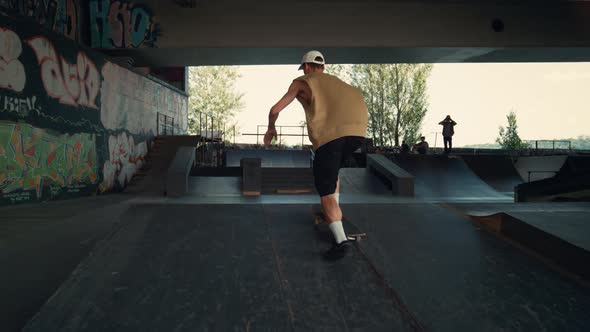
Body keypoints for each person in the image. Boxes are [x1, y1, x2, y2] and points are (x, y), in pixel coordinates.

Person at [263, 50, 368, 260]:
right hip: (358, 133)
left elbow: (275, 109)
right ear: (322, 67)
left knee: (324, 188)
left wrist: (271, 128)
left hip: (330, 138)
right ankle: (331, 207)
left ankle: (341, 242)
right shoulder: (340, 83)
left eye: (305, 68)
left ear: (307, 67)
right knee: (333, 172)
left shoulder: (302, 81)